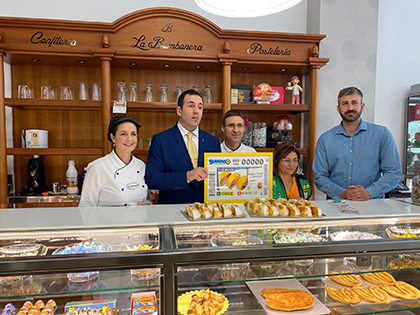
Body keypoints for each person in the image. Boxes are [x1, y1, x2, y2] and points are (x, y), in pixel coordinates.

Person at [313, 86, 402, 200]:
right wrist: (341, 193)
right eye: (345, 103)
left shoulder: (382, 134)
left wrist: (369, 192)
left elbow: (393, 172)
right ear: (338, 108)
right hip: (336, 205)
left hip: (374, 205)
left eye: (354, 103)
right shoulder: (325, 139)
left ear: (362, 106)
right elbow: (319, 176)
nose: (350, 108)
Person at [145, 89, 221, 204]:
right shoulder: (161, 140)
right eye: (191, 106)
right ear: (179, 111)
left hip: (205, 210)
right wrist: (186, 176)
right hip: (173, 210)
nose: (196, 111)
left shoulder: (213, 142)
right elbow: (153, 179)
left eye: (200, 107)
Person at [79, 116, 151, 207]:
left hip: (139, 220)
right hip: (109, 221)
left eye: (133, 134)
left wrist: (148, 205)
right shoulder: (98, 167)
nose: (129, 139)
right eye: (123, 134)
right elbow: (86, 207)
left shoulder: (141, 166)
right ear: (113, 137)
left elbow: (146, 199)